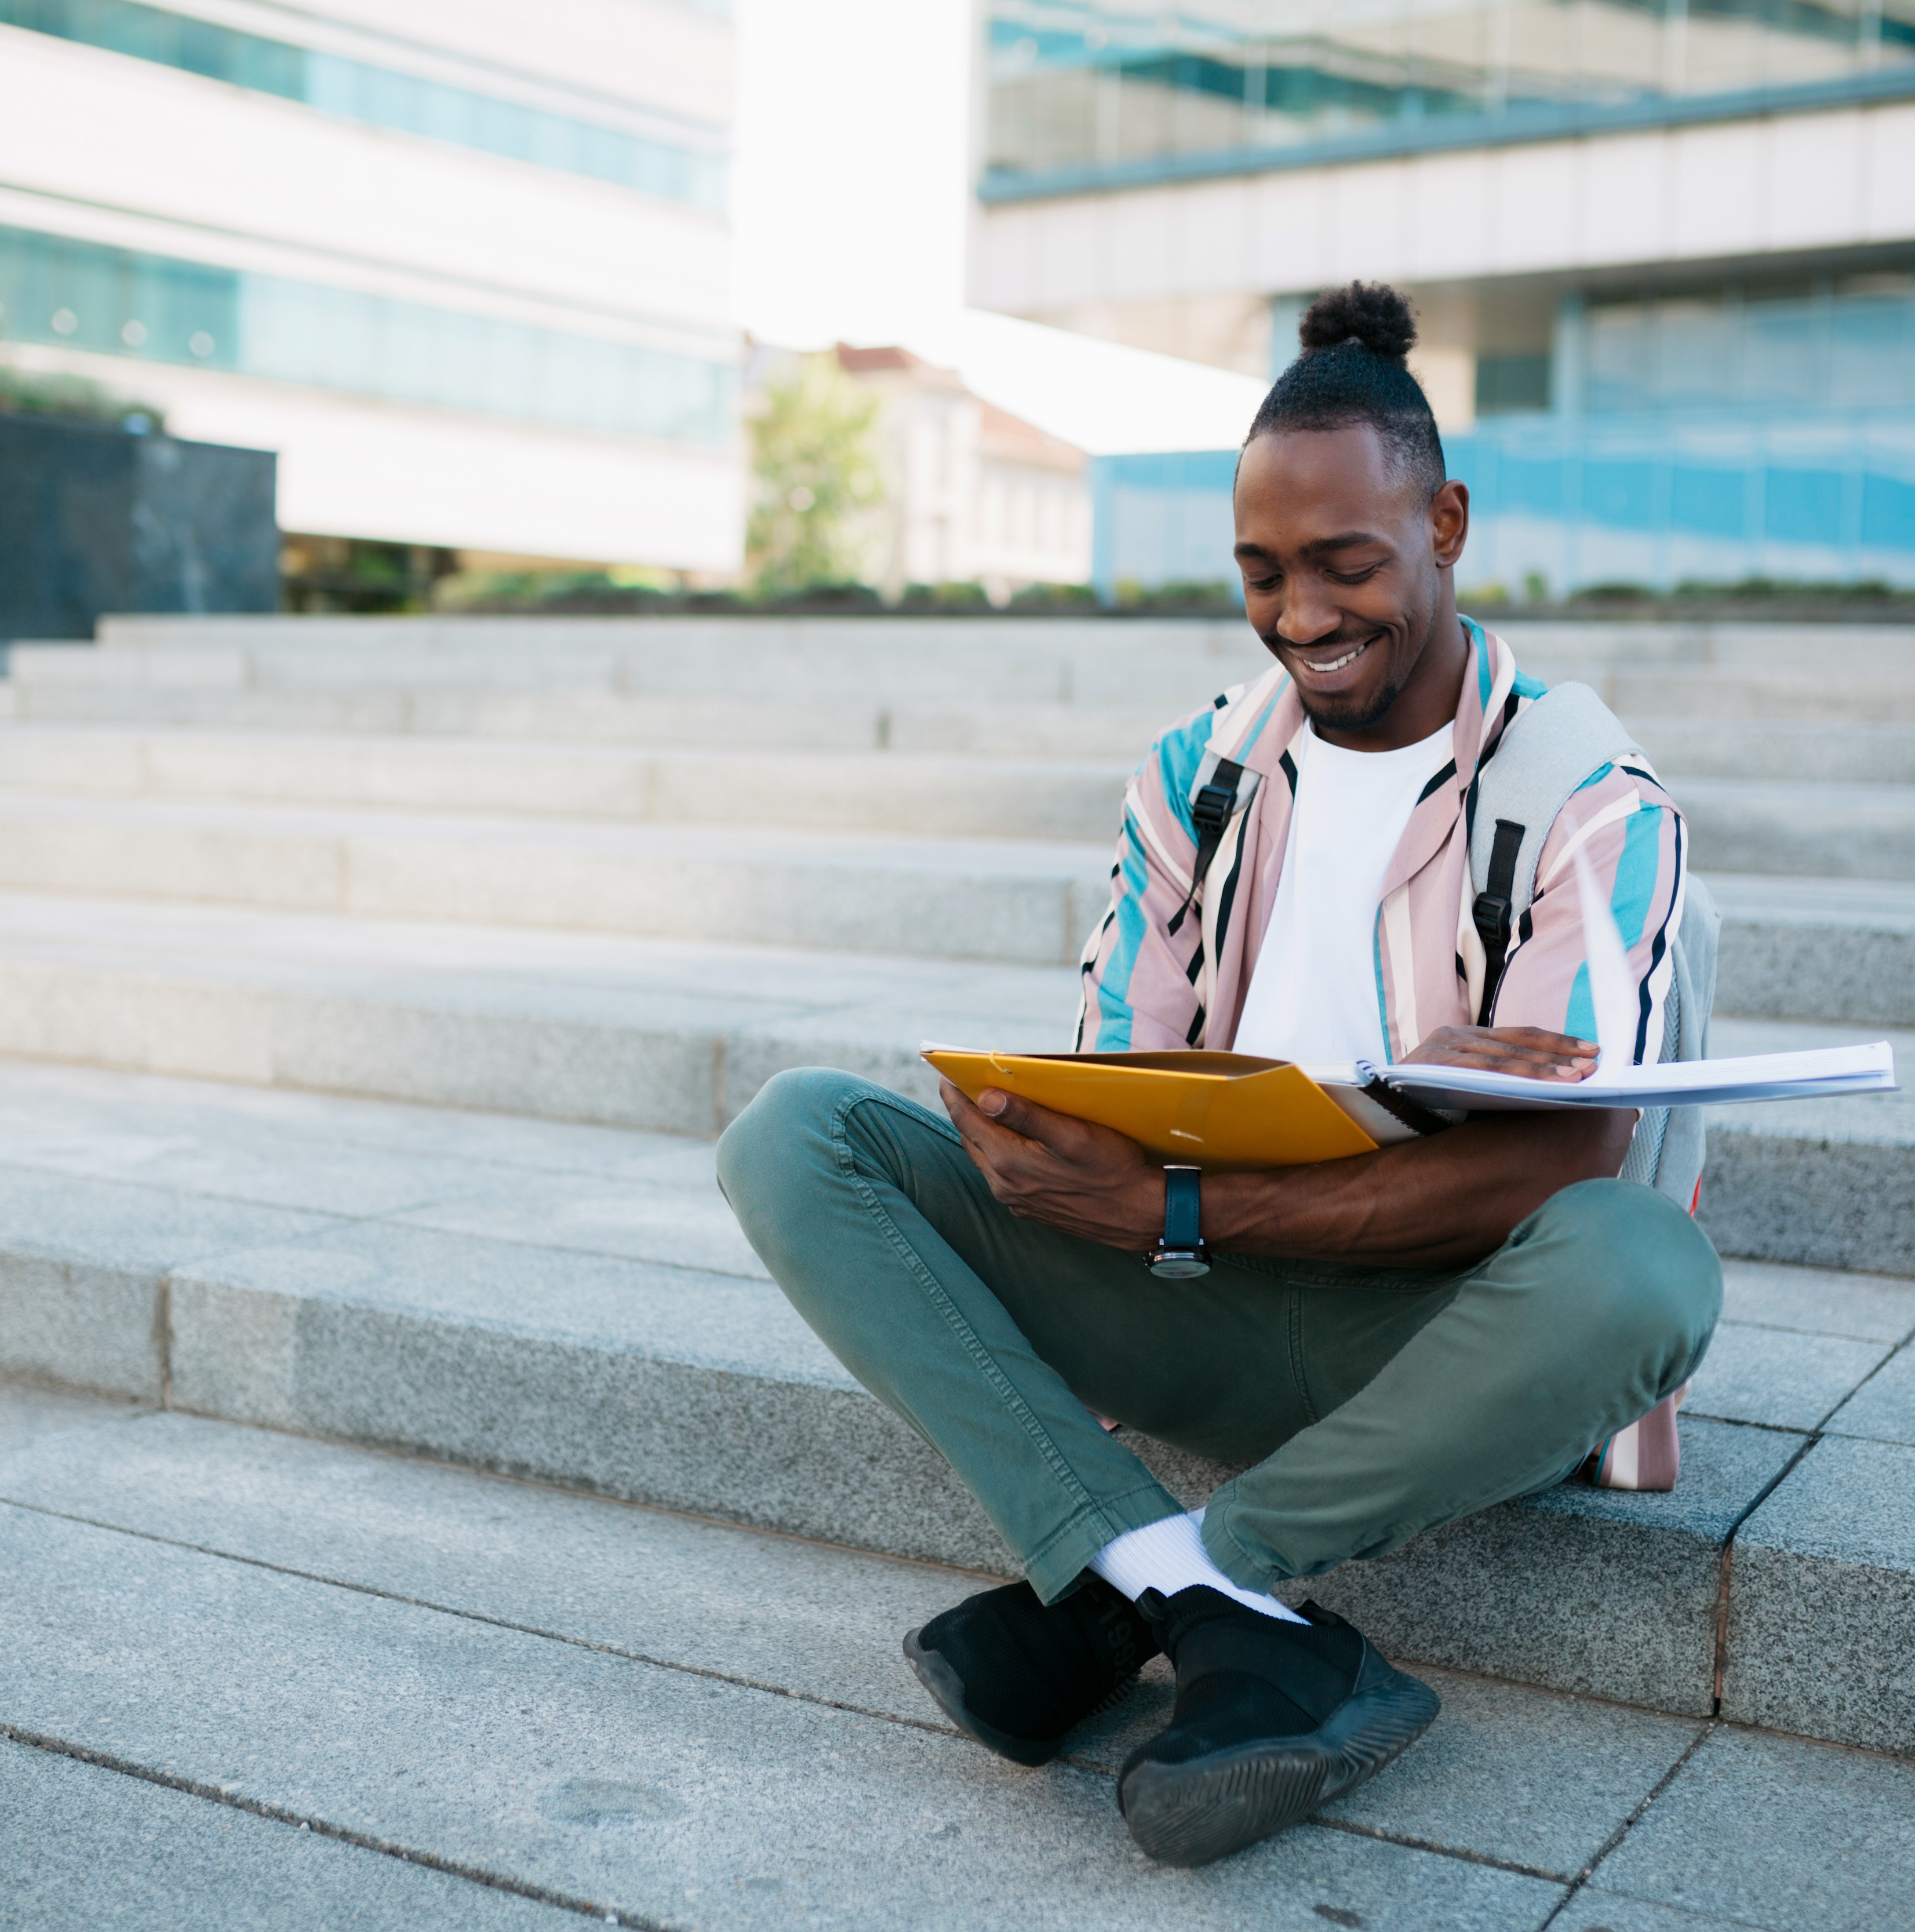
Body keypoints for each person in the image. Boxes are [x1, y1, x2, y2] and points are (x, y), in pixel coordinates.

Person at [715, 282, 1721, 1868]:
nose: (1301, 615)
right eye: (1262, 574)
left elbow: (1563, 1170)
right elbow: (1128, 1098)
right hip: (1198, 1293)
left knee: (1647, 1264)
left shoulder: (1586, 792)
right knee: (799, 1138)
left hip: (1455, 1344)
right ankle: (1224, 1612)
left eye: (1345, 564)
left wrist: (1183, 1204)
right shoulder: (1194, 778)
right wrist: (1067, 1154)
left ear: (1446, 523)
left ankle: (1154, 1580)